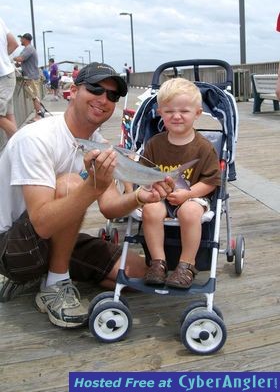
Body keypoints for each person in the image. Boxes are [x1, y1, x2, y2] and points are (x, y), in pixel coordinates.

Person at [0, 61, 173, 329]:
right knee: (70, 184)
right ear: (73, 91)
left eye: (112, 95)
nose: (104, 99)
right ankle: (54, 285)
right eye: (95, 89)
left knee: (136, 274)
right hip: (13, 245)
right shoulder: (36, 138)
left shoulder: (98, 143)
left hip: (52, 235)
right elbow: (42, 223)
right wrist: (91, 186)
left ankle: (48, 272)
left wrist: (140, 197)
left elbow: (110, 207)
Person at [142, 78, 221, 289]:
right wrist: (154, 189)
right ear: (160, 113)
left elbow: (211, 181)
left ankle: (187, 264)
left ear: (197, 113)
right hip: (161, 195)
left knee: (189, 212)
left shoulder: (204, 147)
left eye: (184, 111)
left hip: (194, 195)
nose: (176, 116)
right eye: (169, 111)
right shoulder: (154, 144)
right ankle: (158, 262)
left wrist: (188, 194)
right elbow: (145, 174)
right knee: (149, 210)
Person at [13, 33, 43, 122]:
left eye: (21, 39)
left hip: (32, 77)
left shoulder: (29, 48)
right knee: (34, 97)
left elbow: (21, 58)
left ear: (25, 39)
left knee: (35, 97)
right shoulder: (27, 49)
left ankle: (38, 116)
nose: (20, 40)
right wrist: (17, 62)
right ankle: (38, 115)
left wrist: (10, 58)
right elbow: (21, 61)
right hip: (30, 76)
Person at [0, 17, 19, 138]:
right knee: (8, 115)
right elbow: (14, 43)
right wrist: (3, 59)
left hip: (2, 76)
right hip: (8, 73)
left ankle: (22, 145)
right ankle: (15, 151)